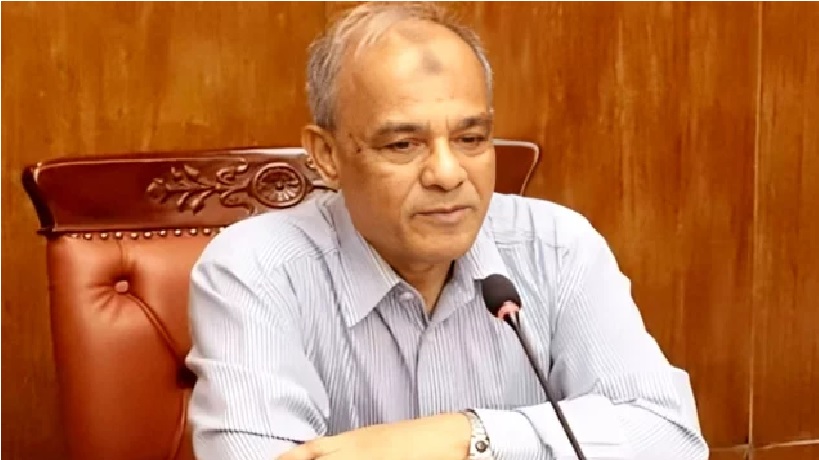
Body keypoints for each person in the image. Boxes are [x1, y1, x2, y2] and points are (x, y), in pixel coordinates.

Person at [185, 2, 708, 460]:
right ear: (327, 156)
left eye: (471, 139)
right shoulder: (259, 269)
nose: (447, 173)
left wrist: (466, 436)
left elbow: (672, 438)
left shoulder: (555, 247)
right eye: (403, 145)